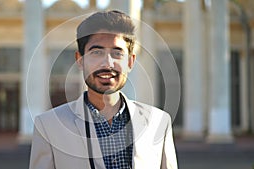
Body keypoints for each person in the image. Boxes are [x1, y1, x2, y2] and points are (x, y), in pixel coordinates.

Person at [29, 10, 178, 169]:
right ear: (80, 60)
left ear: (130, 62)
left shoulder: (159, 123)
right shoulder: (48, 126)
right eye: (97, 52)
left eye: (117, 53)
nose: (107, 63)